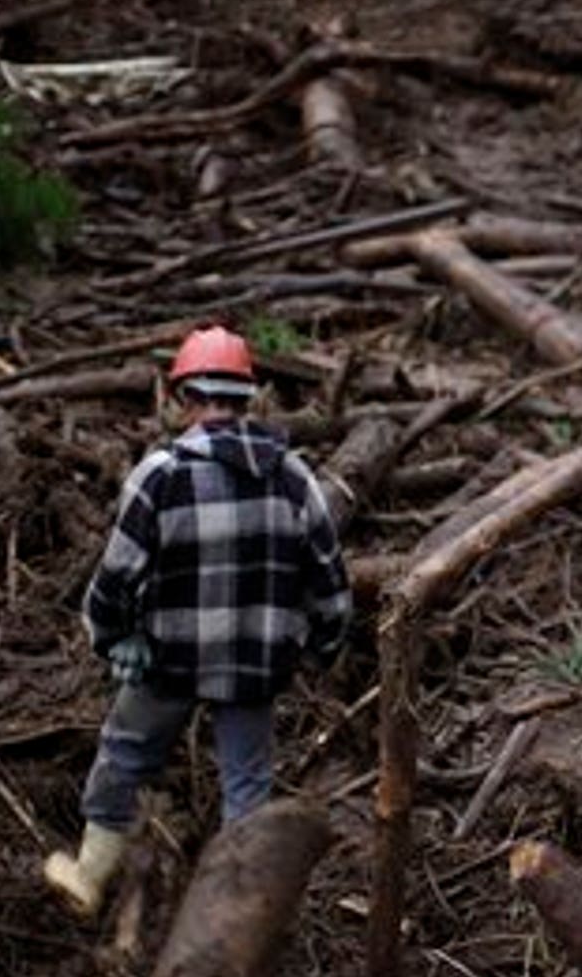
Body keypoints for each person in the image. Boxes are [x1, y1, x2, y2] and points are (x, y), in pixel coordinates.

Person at [42, 325, 352, 917]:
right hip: (254, 667)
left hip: (169, 661)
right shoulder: (291, 476)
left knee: (126, 754)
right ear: (249, 398)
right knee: (247, 784)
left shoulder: (160, 475)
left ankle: (88, 876)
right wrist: (321, 648)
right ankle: (232, 913)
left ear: (181, 396)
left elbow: (115, 577)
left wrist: (113, 638)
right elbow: (330, 582)